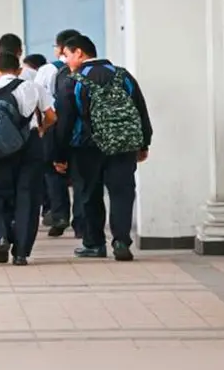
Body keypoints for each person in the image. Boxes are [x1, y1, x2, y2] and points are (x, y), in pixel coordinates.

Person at [52, 34, 153, 262]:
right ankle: (121, 241)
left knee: (89, 194)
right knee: (122, 192)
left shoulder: (74, 81)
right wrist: (143, 142)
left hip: (86, 148)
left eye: (67, 55)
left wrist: (60, 154)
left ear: (79, 53)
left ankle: (94, 243)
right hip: (123, 145)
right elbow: (140, 109)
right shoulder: (123, 75)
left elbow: (64, 122)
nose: (65, 60)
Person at [0, 51, 56, 266]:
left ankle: (2, 237)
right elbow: (51, 116)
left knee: (0, 195)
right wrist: (41, 129)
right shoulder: (33, 88)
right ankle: (21, 252)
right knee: (28, 196)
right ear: (19, 70)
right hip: (30, 145)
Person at [34, 29, 85, 238]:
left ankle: (60, 216)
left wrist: (41, 128)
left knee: (53, 173)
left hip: (54, 125)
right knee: (81, 176)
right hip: (81, 128)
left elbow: (38, 100)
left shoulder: (47, 69)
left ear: (61, 48)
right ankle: (81, 223)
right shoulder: (85, 69)